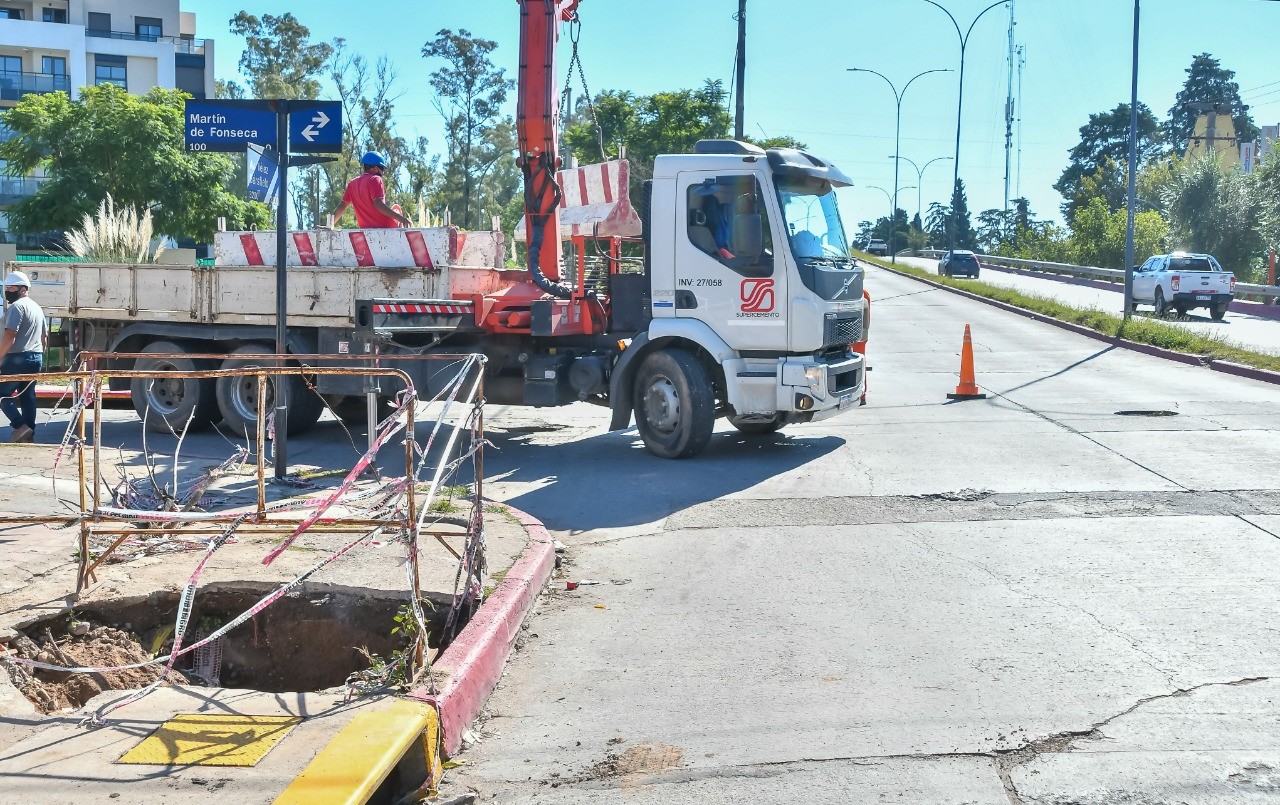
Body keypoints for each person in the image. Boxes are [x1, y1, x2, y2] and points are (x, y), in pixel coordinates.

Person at [0, 271, 47, 444]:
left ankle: (20, 426)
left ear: (22, 289)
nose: (7, 291)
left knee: (2, 393)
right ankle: (29, 432)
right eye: (6, 287)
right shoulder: (36, 307)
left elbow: (10, 335)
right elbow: (44, 337)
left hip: (16, 358)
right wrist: (40, 355)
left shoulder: (17, 307)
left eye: (11, 287)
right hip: (35, 357)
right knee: (27, 395)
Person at [330, 152, 414, 229]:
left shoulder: (352, 183)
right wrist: (401, 219)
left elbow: (342, 206)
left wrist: (330, 224)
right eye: (382, 168)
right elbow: (378, 204)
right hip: (386, 228)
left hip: (366, 230)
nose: (383, 172)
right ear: (375, 168)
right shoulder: (375, 179)